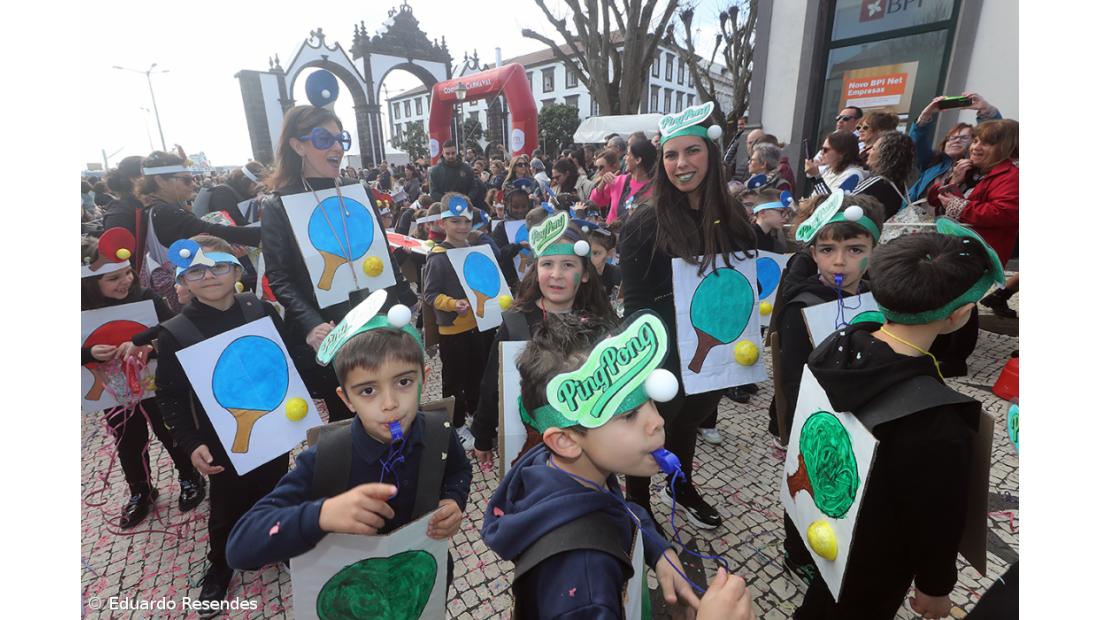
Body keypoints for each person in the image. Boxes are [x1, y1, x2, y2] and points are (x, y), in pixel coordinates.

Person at [793, 220, 1000, 619]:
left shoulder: (834, 346)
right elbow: (936, 517)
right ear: (958, 316)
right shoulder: (938, 420)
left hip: (830, 529)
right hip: (879, 559)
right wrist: (935, 588)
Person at [226, 293, 472, 590]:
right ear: (347, 399)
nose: (390, 404)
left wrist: (452, 500)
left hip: (423, 581)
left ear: (424, 378)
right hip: (354, 592)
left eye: (404, 382)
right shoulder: (326, 458)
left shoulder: (438, 430)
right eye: (368, 390)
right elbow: (240, 547)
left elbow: (459, 471)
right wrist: (321, 515)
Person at [481, 312, 703, 617]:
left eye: (649, 401)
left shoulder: (559, 469)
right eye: (628, 415)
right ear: (566, 441)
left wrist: (657, 549)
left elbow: (617, 508)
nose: (657, 421)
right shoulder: (584, 583)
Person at [619, 102, 758, 529]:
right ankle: (637, 500)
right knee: (655, 425)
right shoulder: (644, 223)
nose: (681, 164)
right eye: (671, 154)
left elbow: (748, 279)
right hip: (664, 349)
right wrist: (650, 357)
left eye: (692, 151)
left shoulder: (734, 219)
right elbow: (636, 300)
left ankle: (679, 483)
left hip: (715, 347)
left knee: (689, 421)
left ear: (711, 155)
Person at [155, 235, 292, 613]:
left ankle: (279, 542)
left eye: (218, 266)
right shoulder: (175, 332)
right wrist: (189, 441)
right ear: (182, 281)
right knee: (227, 504)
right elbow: (169, 394)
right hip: (219, 439)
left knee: (279, 488)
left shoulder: (259, 310)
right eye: (195, 270)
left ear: (236, 270)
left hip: (274, 426)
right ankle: (221, 563)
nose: (209, 276)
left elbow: (287, 361)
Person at [259, 105, 417, 423]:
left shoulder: (357, 192)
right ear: (297, 145)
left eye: (340, 138)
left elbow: (382, 252)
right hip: (330, 327)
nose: (336, 147)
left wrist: (407, 300)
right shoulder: (277, 204)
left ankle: (399, 460)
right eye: (323, 139)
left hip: (378, 317)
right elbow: (279, 277)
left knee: (393, 400)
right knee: (347, 414)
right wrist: (309, 324)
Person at [770, 193, 885, 584]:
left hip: (863, 409)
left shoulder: (876, 297)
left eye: (855, 249)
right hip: (815, 413)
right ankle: (794, 547)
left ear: (873, 249)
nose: (840, 261)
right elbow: (790, 378)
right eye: (828, 249)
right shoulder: (802, 304)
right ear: (813, 252)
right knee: (803, 481)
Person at [81, 230, 203, 530]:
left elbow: (172, 332)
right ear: (89, 284)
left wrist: (149, 347)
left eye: (127, 274)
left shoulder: (147, 298)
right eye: (113, 279)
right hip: (115, 393)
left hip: (156, 383)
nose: (125, 281)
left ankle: (189, 475)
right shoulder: (79, 312)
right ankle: (141, 489)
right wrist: (87, 352)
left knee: (169, 431)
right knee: (128, 442)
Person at [470, 216, 615, 466]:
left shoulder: (598, 324)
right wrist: (482, 434)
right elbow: (493, 381)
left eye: (568, 265)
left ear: (584, 275)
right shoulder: (517, 322)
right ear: (536, 270)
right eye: (547, 264)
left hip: (587, 445)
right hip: (531, 447)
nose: (556, 275)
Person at [421, 193, 498, 450]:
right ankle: (454, 425)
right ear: (443, 224)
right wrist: (453, 304)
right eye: (455, 221)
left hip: (479, 325)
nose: (462, 226)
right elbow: (430, 294)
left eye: (466, 221)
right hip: (453, 329)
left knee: (478, 374)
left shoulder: (475, 250)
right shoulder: (438, 256)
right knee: (454, 379)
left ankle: (477, 416)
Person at [927, 119, 1019, 268]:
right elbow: (933, 200)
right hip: (949, 249)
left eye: (987, 143)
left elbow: (1004, 213)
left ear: (1006, 148)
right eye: (975, 141)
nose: (975, 147)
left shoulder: (1012, 176)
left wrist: (960, 207)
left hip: (978, 257)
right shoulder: (969, 170)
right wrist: (954, 180)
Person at [908, 93, 1002, 203]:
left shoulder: (978, 168)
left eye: (964, 138)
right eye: (952, 138)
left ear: (974, 143)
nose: (957, 140)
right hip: (913, 216)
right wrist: (925, 115)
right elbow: (916, 142)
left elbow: (993, 136)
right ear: (945, 143)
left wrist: (986, 109)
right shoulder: (932, 162)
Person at [851, 131, 917, 220]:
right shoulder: (902, 184)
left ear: (884, 155)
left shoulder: (876, 183)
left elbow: (845, 206)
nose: (868, 152)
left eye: (873, 149)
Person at [102, 156, 150, 273]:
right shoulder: (119, 214)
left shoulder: (146, 203)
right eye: (149, 174)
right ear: (135, 179)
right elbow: (117, 257)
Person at [591, 139, 657, 224]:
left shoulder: (655, 189)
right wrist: (602, 183)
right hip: (610, 234)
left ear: (638, 160)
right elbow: (595, 203)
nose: (625, 158)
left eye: (628, 154)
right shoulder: (618, 180)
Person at [489, 188, 534, 289]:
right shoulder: (501, 228)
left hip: (535, 277)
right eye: (515, 207)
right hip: (512, 280)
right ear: (507, 206)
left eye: (524, 206)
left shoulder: (535, 224)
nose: (520, 210)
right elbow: (498, 254)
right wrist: (518, 246)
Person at [204, 162, 269, 225]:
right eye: (256, 186)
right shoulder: (222, 193)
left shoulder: (243, 192)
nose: (256, 191)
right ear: (246, 181)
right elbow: (231, 223)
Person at [804, 131, 866, 196]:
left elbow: (831, 203)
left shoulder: (854, 175)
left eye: (825, 150)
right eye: (821, 149)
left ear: (842, 153)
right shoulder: (830, 169)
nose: (821, 153)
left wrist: (816, 177)